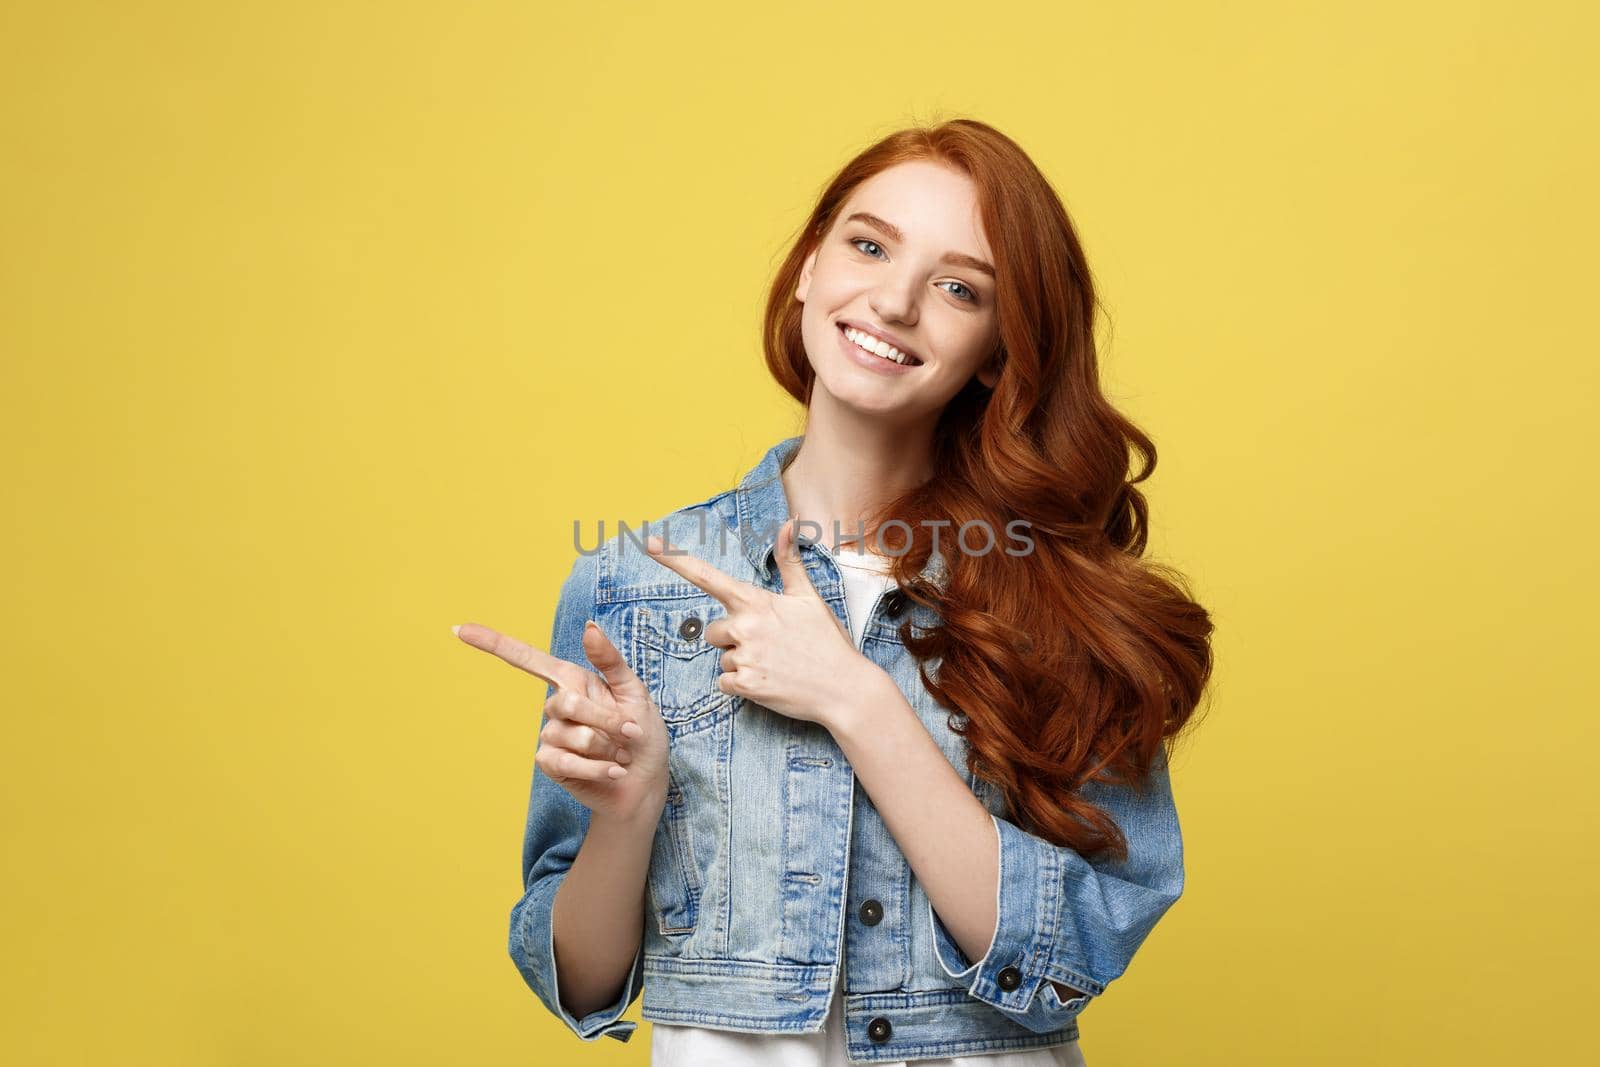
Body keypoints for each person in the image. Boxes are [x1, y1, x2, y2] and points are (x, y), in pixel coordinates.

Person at [455, 118, 1214, 1065]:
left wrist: (855, 697)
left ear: (994, 348)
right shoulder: (634, 585)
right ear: (810, 267)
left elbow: (1078, 951)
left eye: (957, 287)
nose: (894, 301)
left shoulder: (1058, 603)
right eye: (868, 245)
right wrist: (628, 809)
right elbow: (580, 976)